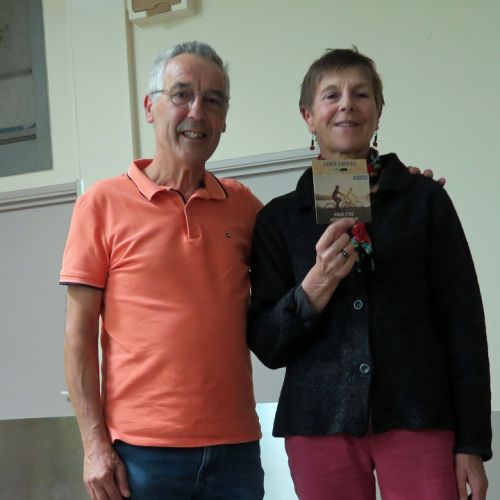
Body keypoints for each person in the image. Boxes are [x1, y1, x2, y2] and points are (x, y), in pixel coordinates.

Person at [248, 48, 491, 500]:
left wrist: (473, 442)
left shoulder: (424, 201)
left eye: (361, 94)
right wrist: (314, 288)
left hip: (419, 414)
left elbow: (464, 326)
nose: (347, 104)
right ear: (308, 116)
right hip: (319, 423)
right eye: (331, 95)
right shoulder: (278, 220)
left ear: (378, 111)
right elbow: (267, 344)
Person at [61, 41, 264, 500]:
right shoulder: (101, 204)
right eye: (182, 94)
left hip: (236, 451)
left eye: (213, 100)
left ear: (225, 119)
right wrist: (94, 445)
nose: (197, 112)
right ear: (151, 107)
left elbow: (310, 248)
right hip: (140, 455)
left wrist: (395, 190)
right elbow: (78, 336)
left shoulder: (244, 206)